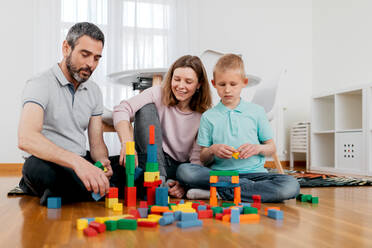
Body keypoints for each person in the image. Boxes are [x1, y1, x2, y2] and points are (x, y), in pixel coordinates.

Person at [17, 22, 126, 205]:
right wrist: (77, 163)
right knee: (34, 168)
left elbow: (97, 142)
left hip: (81, 161)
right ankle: (96, 188)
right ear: (66, 48)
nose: (90, 64)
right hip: (48, 163)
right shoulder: (40, 84)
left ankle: (75, 190)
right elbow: (26, 139)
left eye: (97, 58)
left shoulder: (94, 91)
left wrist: (102, 162)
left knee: (132, 168)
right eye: (85, 55)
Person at [176, 54, 300, 202]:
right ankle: (239, 189)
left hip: (255, 174)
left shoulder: (257, 112)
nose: (227, 90)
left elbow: (271, 148)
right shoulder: (208, 117)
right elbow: (203, 157)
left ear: (244, 83)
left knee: (291, 185)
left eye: (233, 84)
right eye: (222, 84)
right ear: (214, 84)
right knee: (185, 171)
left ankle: (220, 192)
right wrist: (213, 150)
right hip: (221, 174)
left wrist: (257, 148)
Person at [113, 55, 212, 198]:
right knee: (145, 107)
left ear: (199, 84)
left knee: (187, 172)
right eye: (176, 79)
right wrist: (127, 144)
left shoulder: (205, 114)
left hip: (180, 168)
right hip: (153, 159)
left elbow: (196, 161)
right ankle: (159, 180)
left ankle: (165, 183)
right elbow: (122, 109)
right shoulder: (158, 92)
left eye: (188, 81)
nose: (180, 86)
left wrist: (184, 185)